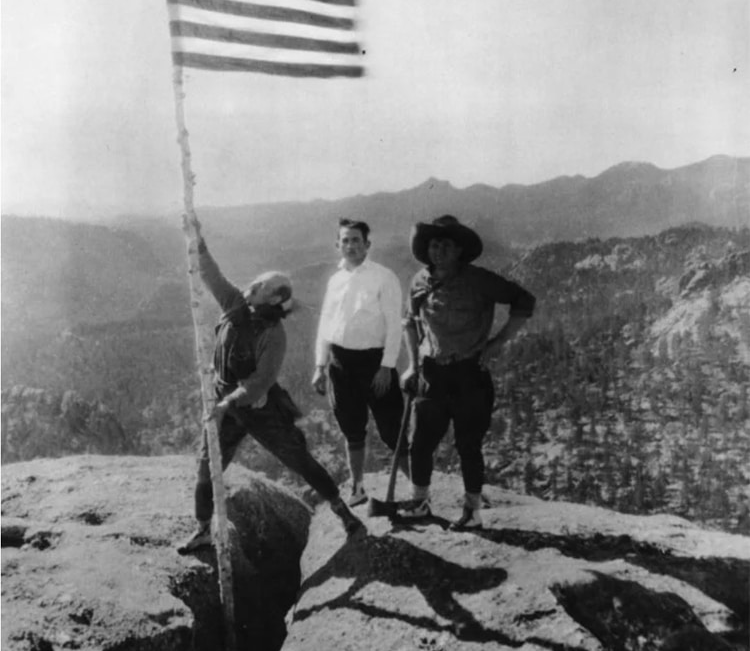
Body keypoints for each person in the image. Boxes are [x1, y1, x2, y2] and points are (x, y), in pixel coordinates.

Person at [178, 216, 364, 554]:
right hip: (226, 401)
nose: (254, 285)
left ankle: (343, 513)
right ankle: (203, 528)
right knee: (208, 466)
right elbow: (211, 275)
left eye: (262, 285)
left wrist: (226, 404)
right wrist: (198, 239)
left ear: (273, 298)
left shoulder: (273, 335)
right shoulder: (236, 305)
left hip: (257, 406)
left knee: (297, 457)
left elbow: (258, 384)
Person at [400, 215, 536, 530]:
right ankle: (419, 502)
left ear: (460, 249)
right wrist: (411, 364)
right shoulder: (419, 281)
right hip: (431, 372)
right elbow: (409, 322)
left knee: (468, 445)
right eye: (434, 244)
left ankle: (472, 512)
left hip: (469, 374)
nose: (439, 251)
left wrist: (497, 343)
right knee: (420, 442)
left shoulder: (479, 280)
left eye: (447, 245)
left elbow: (524, 301)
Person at [312, 218, 407, 506]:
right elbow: (326, 323)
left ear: (367, 244)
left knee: (393, 430)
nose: (351, 245)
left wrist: (387, 366)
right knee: (351, 428)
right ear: (337, 245)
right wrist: (320, 365)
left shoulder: (383, 276)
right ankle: (357, 486)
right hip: (340, 363)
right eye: (345, 240)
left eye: (356, 240)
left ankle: (417, 491)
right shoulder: (335, 279)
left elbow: (394, 324)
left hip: (374, 362)